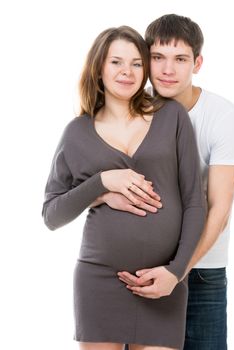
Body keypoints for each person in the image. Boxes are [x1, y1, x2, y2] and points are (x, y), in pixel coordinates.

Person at [42, 25, 204, 350]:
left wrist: (176, 272)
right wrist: (101, 183)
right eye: (116, 62)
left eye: (136, 63)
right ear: (99, 66)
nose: (127, 72)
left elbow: (194, 203)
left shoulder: (171, 116)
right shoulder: (77, 133)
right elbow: (52, 214)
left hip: (162, 281)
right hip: (99, 280)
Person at [103, 15, 234, 350]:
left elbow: (220, 208)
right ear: (146, 58)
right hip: (136, 267)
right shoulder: (127, 109)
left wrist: (178, 271)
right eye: (158, 57)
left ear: (197, 62)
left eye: (180, 59)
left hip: (200, 270)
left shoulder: (223, 116)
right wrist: (104, 195)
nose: (168, 70)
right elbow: (89, 185)